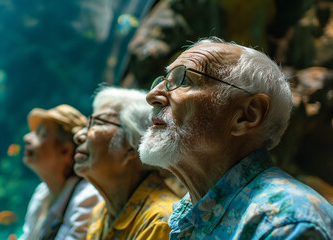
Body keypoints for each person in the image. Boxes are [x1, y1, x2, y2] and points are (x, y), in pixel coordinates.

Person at [139, 37, 333, 239]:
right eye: (163, 81)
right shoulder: (194, 211)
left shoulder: (284, 223)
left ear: (247, 115)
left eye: (184, 80)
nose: (152, 95)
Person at [73, 86, 179, 239]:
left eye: (97, 123)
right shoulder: (101, 213)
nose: (79, 135)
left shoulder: (158, 222)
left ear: (133, 147)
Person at [20, 104, 101, 240]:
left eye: (41, 134)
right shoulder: (42, 193)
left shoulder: (87, 197)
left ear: (65, 150)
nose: (27, 138)